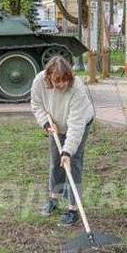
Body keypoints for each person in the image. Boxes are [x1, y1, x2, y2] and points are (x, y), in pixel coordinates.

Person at [30, 56, 95, 226]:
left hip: (79, 123)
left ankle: (73, 209)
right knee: (55, 161)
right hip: (55, 125)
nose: (62, 85)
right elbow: (36, 104)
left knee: (72, 162)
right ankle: (53, 199)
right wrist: (45, 123)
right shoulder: (39, 82)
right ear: (48, 77)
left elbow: (75, 125)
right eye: (57, 81)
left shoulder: (77, 89)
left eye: (65, 80)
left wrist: (67, 152)